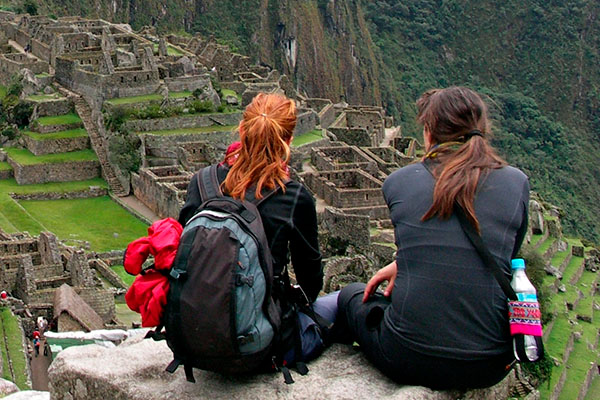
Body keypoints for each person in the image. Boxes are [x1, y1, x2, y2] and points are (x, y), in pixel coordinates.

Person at [337, 86, 530, 389]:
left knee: (351, 295)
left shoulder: (399, 182)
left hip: (409, 356)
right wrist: (406, 262)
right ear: (482, 130)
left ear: (428, 132)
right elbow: (504, 258)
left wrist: (406, 260)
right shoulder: (516, 183)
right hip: (490, 364)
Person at [179, 92, 332, 364]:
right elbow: (311, 283)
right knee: (348, 302)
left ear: (242, 131)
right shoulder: (293, 197)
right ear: (288, 140)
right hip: (260, 347)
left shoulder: (202, 182)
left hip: (195, 338)